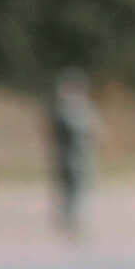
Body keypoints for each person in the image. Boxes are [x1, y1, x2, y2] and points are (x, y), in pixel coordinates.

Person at [49, 68, 99, 237]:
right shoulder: (67, 108)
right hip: (69, 156)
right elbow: (80, 129)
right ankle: (71, 222)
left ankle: (75, 221)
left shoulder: (80, 106)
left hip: (81, 155)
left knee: (80, 188)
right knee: (70, 189)